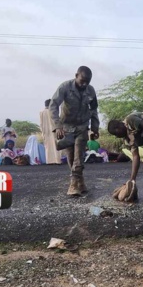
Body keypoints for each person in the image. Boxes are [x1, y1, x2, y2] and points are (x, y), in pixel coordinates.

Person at [48, 66, 99, 196]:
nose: (85, 84)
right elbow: (53, 105)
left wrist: (95, 128)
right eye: (82, 80)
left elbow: (93, 110)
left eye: (88, 81)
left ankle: (73, 185)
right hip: (66, 127)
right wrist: (57, 126)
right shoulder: (65, 87)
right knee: (71, 156)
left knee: (79, 156)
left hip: (82, 126)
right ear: (76, 75)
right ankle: (79, 181)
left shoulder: (91, 90)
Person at [39, 99, 60, 164]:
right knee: (55, 145)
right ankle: (57, 160)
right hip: (54, 130)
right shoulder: (53, 111)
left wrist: (43, 132)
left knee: (48, 147)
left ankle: (49, 161)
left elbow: (41, 124)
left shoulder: (41, 112)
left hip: (46, 132)